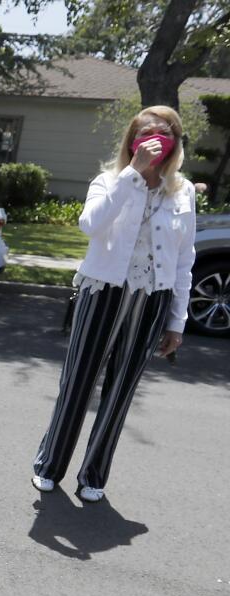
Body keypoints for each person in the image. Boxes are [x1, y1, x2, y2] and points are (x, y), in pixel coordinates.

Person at [32, 106, 196, 503]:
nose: (154, 142)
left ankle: (94, 474)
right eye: (145, 134)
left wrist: (177, 322)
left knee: (120, 391)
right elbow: (91, 224)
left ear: (175, 143)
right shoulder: (109, 181)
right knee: (77, 382)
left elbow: (185, 260)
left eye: (164, 134)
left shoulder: (183, 191)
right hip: (102, 293)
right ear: (131, 140)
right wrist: (131, 176)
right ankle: (50, 465)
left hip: (152, 300)